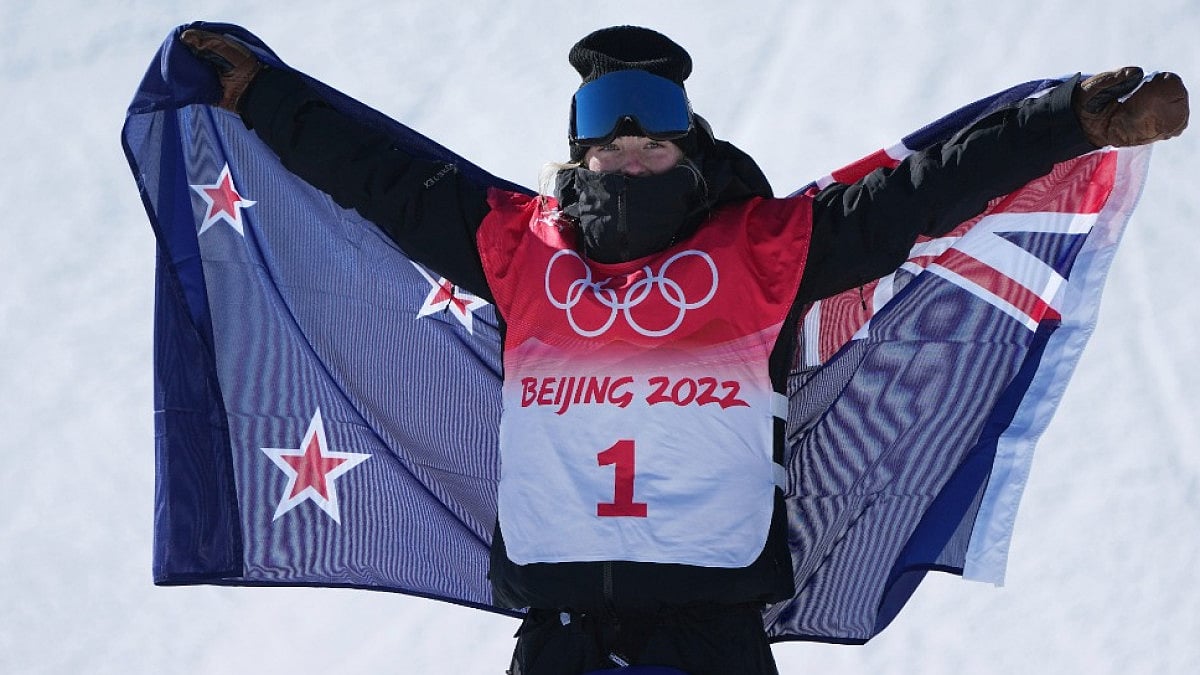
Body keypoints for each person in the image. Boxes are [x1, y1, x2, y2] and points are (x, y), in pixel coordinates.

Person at [180, 25, 1187, 675]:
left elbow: (923, 193)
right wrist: (264, 99)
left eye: (652, 137)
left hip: (713, 635)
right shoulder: (514, 243)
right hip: (562, 638)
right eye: (606, 139)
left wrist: (1066, 121)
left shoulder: (763, 246)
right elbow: (381, 177)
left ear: (687, 146)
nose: (628, 152)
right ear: (579, 154)